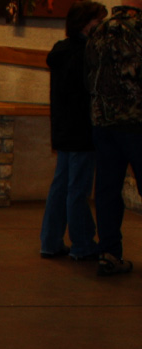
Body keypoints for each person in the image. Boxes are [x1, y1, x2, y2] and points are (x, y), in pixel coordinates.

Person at [40, 1, 106, 261]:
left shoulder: (61, 50)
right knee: (78, 189)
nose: (101, 26)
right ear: (86, 23)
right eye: (98, 21)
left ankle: (50, 241)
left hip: (63, 127)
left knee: (60, 186)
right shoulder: (87, 53)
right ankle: (82, 243)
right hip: (82, 129)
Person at [86, 0, 142, 275]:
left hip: (103, 120)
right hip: (135, 121)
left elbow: (89, 73)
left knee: (107, 190)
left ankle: (108, 253)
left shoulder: (100, 29)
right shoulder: (138, 29)